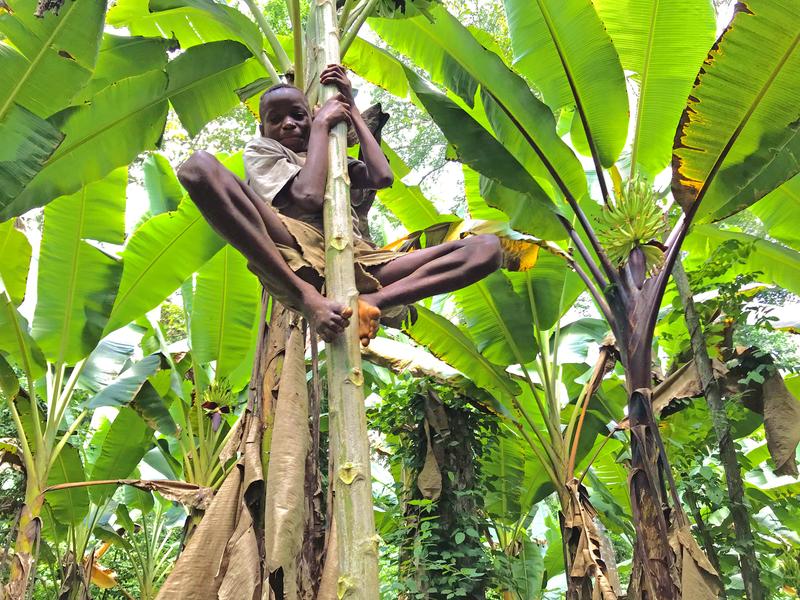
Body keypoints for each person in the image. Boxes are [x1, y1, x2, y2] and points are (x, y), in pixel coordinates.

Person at [177, 64, 502, 347]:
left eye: (298, 116)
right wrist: (319, 126)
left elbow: (382, 176)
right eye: (276, 120)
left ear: (311, 116)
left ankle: (373, 302)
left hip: (358, 256)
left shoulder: (332, 155)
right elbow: (307, 197)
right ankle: (308, 296)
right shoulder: (264, 151)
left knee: (486, 248)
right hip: (291, 247)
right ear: (264, 129)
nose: (288, 124)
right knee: (199, 166)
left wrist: (351, 112)